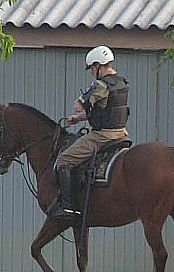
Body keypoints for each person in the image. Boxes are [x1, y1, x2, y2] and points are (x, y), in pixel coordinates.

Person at [51, 46, 130, 220]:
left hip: (102, 136)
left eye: (92, 69)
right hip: (121, 134)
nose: (92, 72)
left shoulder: (101, 85)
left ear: (98, 65)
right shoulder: (122, 82)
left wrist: (81, 104)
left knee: (63, 160)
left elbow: (78, 105)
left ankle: (68, 206)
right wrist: (78, 119)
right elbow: (105, 110)